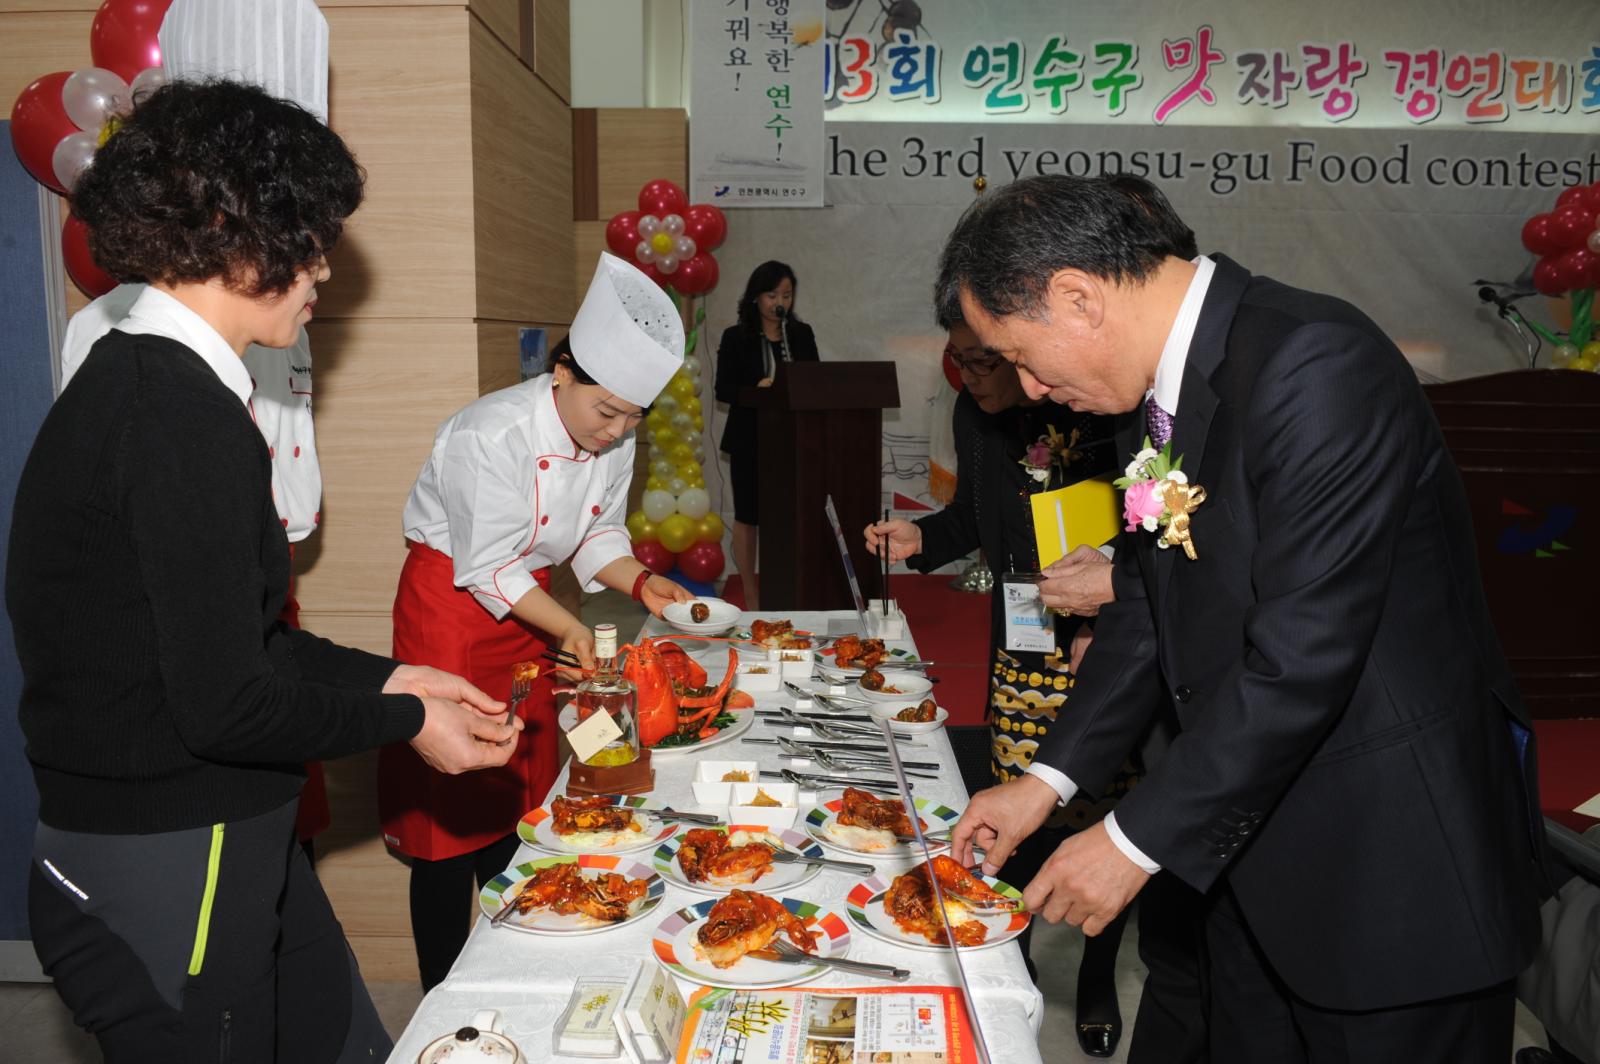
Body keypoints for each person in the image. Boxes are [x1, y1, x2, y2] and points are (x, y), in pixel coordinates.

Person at [941, 173, 1547, 1062]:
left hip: (1390, 871)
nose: (1029, 388)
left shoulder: (1314, 362)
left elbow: (1304, 655)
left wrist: (1131, 840)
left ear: (1077, 296)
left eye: (1022, 356)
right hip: (1248, 855)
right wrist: (1047, 782)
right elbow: (1148, 609)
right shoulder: (1156, 391)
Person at [7, 79, 521, 1064]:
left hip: (230, 835)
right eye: (311, 237)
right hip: (166, 860)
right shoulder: (170, 413)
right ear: (234, 235)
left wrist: (395, 678)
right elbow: (228, 706)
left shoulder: (168, 384)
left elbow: (249, 641)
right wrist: (409, 722)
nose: (322, 265)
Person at [380, 251, 696, 991]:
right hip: (450, 612)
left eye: (633, 418)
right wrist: (571, 630)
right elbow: (488, 565)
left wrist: (643, 582)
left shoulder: (612, 438)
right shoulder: (490, 434)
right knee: (447, 817)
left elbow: (596, 537)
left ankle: (516, 956)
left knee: (523, 792)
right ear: (562, 373)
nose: (617, 431)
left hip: (535, 609)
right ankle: (443, 990)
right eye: (606, 411)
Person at [866, 320, 1138, 1055]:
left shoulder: (1088, 405)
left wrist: (1111, 615)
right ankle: (1013, 957)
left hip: (1101, 645)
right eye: (961, 363)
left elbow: (1139, 533)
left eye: (987, 363)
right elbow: (973, 518)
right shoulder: (972, 412)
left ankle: (1097, 975)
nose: (973, 379)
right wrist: (923, 539)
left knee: (1100, 821)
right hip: (1022, 645)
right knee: (1012, 817)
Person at [59, 284, 335, 858]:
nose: (323, 272)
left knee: (290, 804)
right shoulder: (118, 335)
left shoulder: (287, 324)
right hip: (189, 578)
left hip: (268, 573)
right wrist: (408, 718)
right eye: (307, 250)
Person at [714, 260, 819, 609]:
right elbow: (723, 389)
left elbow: (816, 381)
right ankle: (750, 591)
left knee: (790, 515)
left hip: (792, 440)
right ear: (756, 297)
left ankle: (789, 585)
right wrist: (754, 390)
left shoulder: (800, 335)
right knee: (748, 516)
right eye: (772, 295)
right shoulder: (736, 337)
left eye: (787, 295)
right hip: (749, 440)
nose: (780, 302)